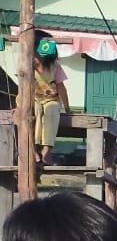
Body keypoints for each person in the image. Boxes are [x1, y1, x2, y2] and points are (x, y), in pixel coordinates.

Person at [32, 31, 71, 165]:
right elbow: (22, 87)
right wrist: (19, 105)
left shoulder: (55, 66)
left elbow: (61, 87)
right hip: (33, 99)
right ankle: (34, 148)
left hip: (52, 99)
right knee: (35, 111)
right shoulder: (27, 66)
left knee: (51, 112)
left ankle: (46, 151)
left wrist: (67, 108)